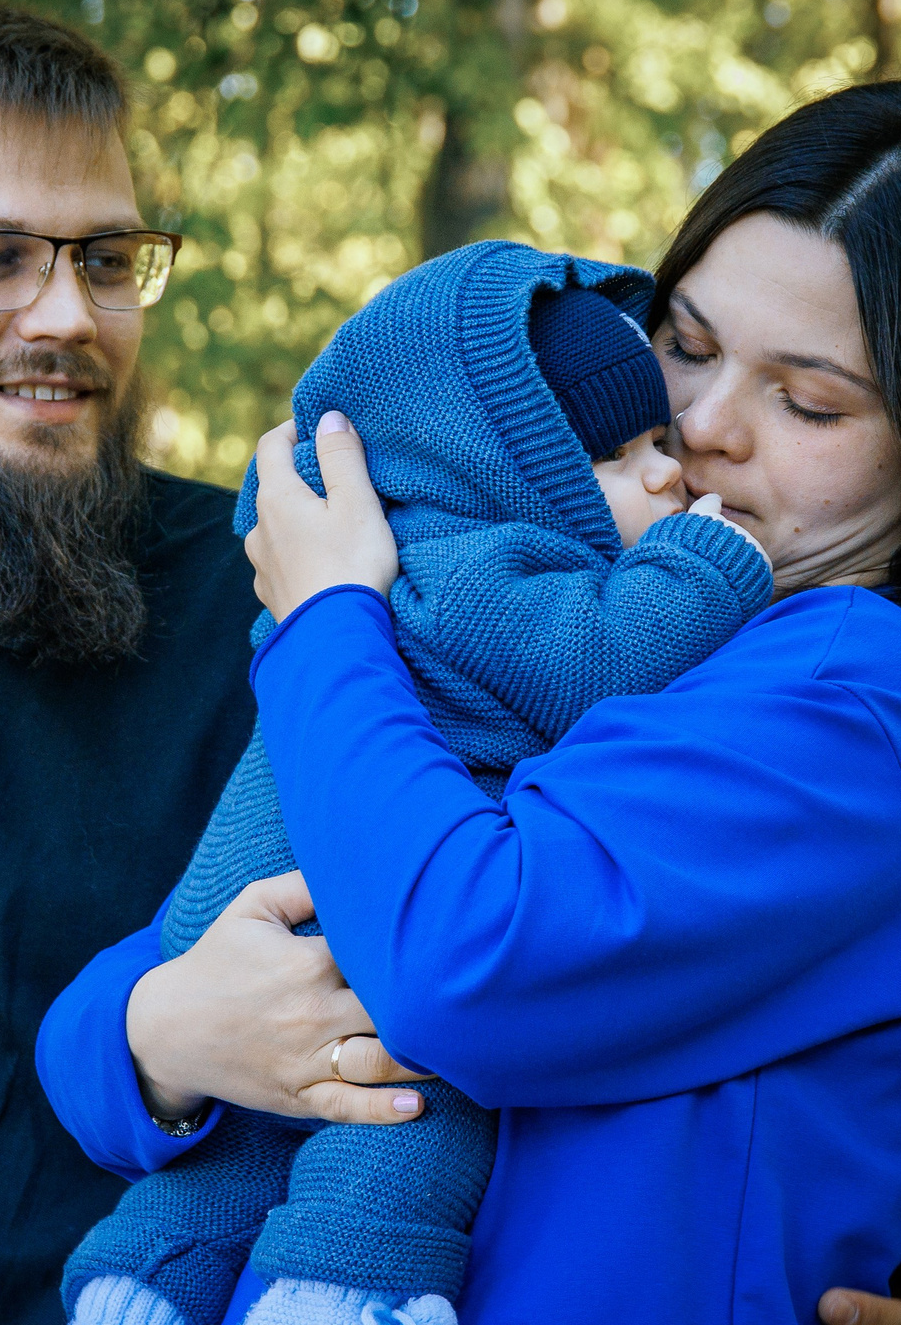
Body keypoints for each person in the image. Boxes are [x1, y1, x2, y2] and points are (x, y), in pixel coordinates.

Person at [0, 0, 901, 1325]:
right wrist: (149, 1031)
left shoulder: (334, 597)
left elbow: (664, 908)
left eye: (108, 257)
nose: (66, 312)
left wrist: (812, 1247)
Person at [41, 80, 901, 1321]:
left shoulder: (861, 698)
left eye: (810, 400)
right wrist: (163, 1032)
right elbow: (129, 996)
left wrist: (326, 622)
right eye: (687, 346)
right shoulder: (606, 618)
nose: (707, 427)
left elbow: (465, 969)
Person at [63, 246, 773, 1325]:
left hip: (258, 916)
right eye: (620, 456)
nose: (672, 474)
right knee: (409, 1100)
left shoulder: (400, 573)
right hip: (336, 930)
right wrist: (708, 568)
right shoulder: (479, 577)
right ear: (516, 473)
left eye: (660, 443)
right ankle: (349, 1288)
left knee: (263, 1141)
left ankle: (144, 1279)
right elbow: (600, 660)